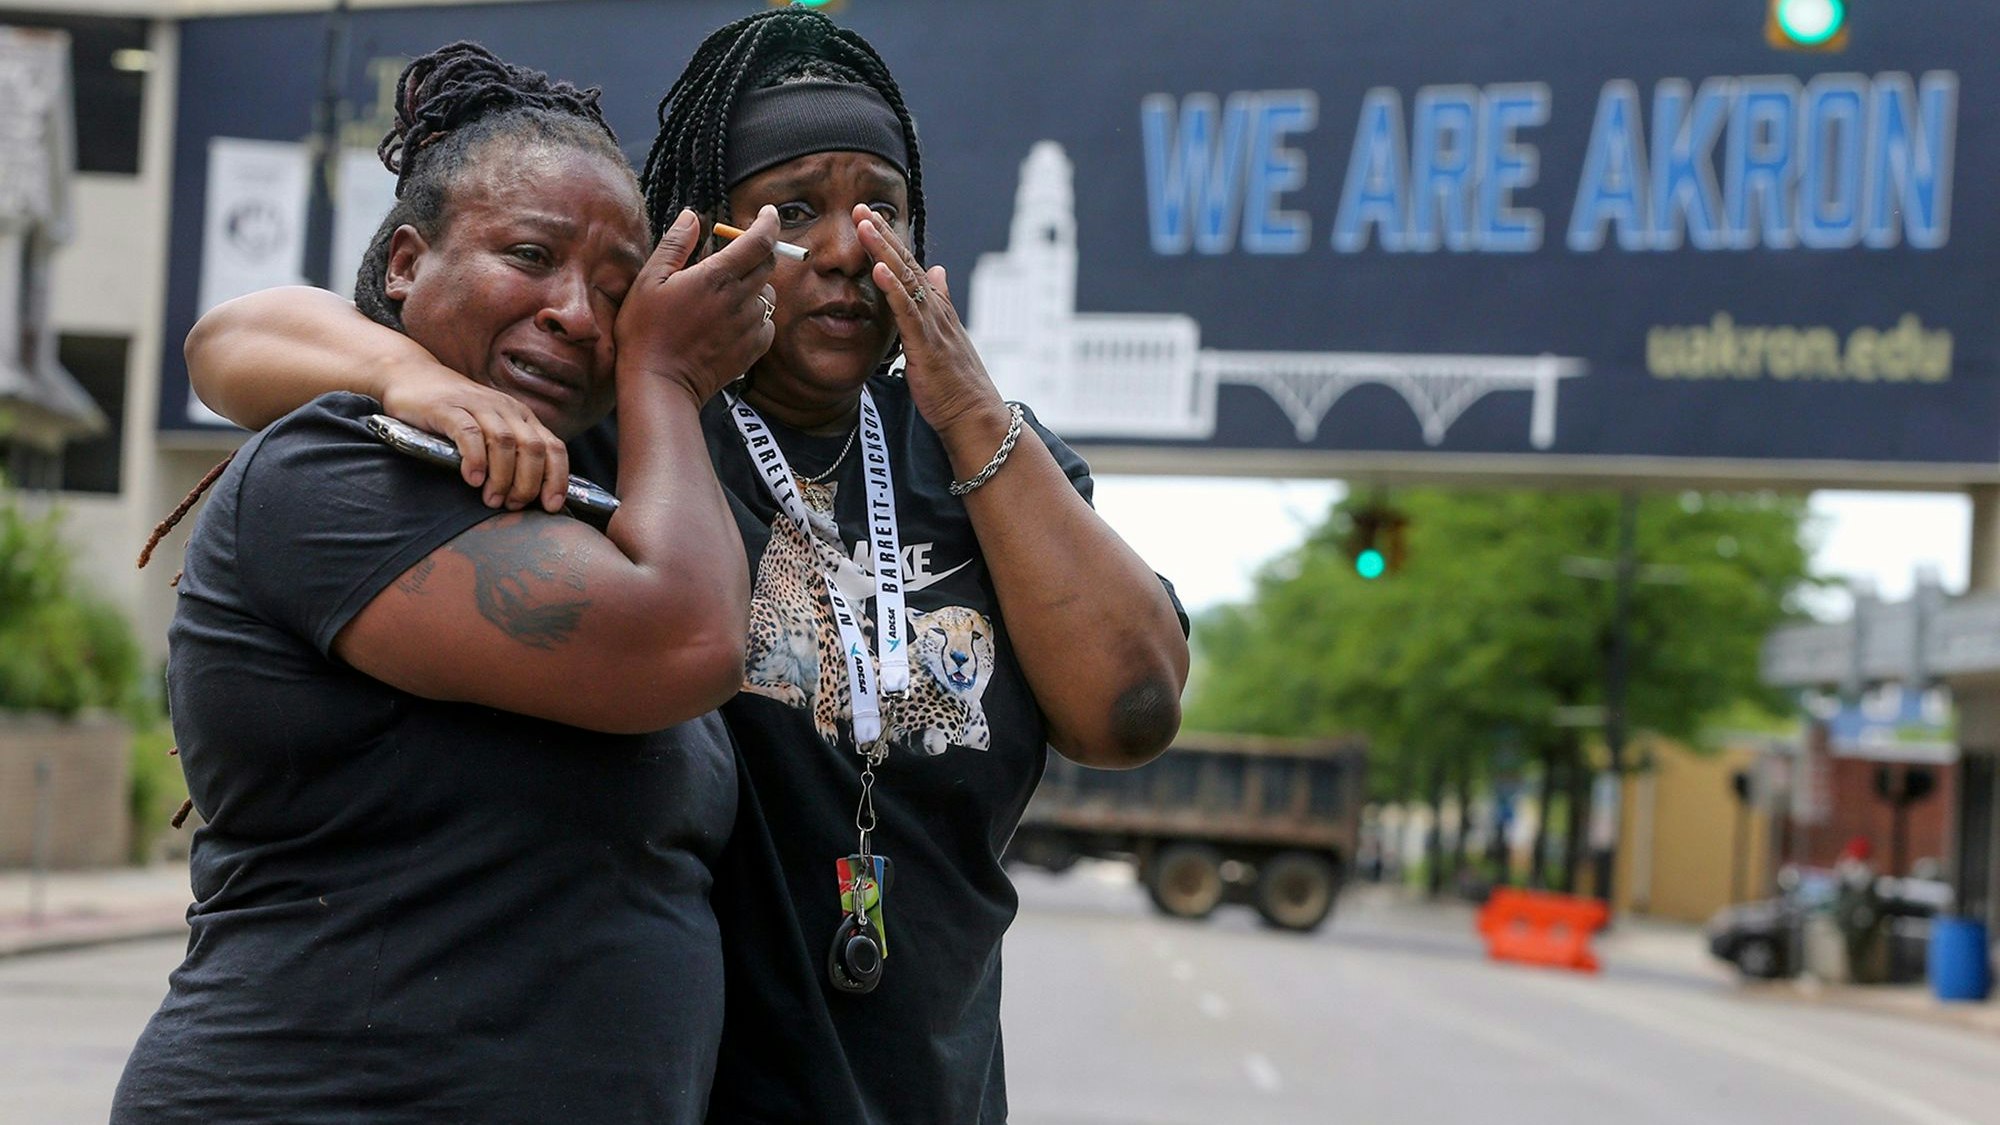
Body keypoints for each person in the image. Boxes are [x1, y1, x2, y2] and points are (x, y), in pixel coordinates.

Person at [184, 11, 1191, 1122]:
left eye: (883, 210)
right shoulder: (619, 410)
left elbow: (1128, 711)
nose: (852, 249)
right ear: (704, 241)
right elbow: (236, 340)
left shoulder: (987, 457)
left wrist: (963, 406)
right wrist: (407, 376)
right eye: (796, 210)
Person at [114, 42, 783, 1123]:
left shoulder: (596, 497)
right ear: (405, 265)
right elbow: (686, 643)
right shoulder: (339, 466)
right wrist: (643, 372)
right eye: (529, 253)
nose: (578, 312)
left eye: (620, 295)